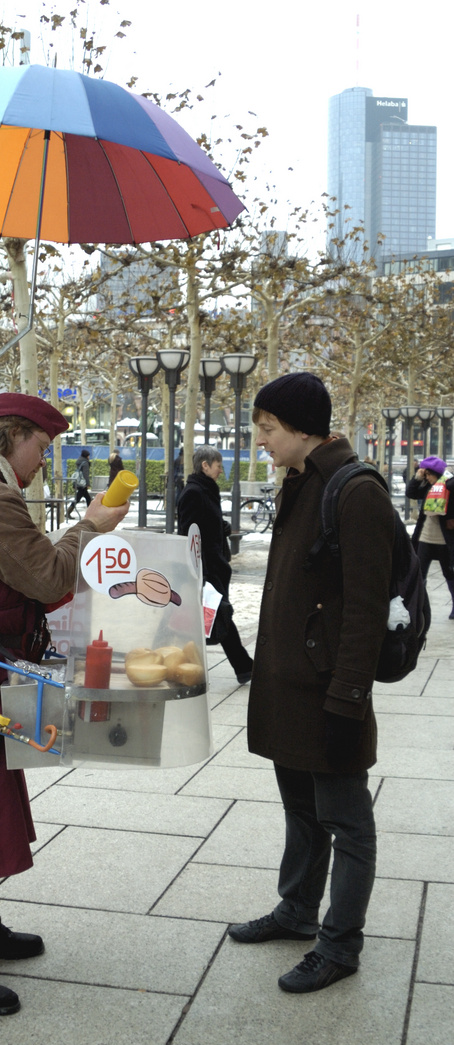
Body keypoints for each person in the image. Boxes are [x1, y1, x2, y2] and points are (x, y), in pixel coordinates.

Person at [0, 394, 128, 1017]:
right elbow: (52, 577)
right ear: (12, 437)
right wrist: (92, 525)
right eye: (42, 445)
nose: (44, 458)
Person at [227, 372, 396, 994]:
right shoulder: (299, 482)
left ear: (301, 428)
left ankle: (339, 944)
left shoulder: (355, 492)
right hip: (289, 688)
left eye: (268, 429)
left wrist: (347, 697)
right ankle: (297, 911)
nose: (261, 441)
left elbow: (364, 608)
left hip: (330, 693)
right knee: (301, 811)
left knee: (347, 823)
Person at [177, 446, 253, 683]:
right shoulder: (193, 492)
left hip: (215, 566)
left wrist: (222, 528)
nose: (221, 470)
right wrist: (199, 572)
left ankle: (243, 667)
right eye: (218, 465)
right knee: (219, 614)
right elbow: (187, 535)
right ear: (205, 466)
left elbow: (206, 524)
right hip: (206, 569)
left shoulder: (207, 491)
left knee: (214, 615)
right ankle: (244, 667)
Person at [405, 455, 454, 617]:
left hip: (444, 539)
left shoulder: (448, 485)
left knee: (449, 574)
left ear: (436, 473)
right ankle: (418, 605)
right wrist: (417, 477)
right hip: (425, 537)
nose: (426, 477)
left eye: (428, 474)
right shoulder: (427, 487)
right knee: (419, 573)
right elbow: (411, 493)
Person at [67, 447, 92, 516]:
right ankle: (90, 514)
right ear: (86, 456)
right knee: (84, 498)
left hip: (78, 482)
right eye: (88, 455)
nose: (89, 457)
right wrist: (87, 483)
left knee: (85, 498)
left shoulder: (79, 461)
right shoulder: (85, 463)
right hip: (82, 484)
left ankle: (68, 512)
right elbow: (85, 474)